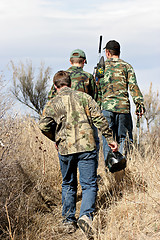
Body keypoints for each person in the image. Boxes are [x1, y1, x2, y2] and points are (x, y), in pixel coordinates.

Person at [39, 70, 118, 238]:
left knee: (68, 183)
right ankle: (85, 216)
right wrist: (110, 139)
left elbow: (43, 125)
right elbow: (99, 119)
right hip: (87, 146)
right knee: (89, 184)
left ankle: (68, 221)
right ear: (71, 83)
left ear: (55, 86)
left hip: (65, 148)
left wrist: (56, 137)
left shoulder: (53, 103)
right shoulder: (85, 98)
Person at [48, 49, 99, 160]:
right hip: (85, 123)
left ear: (70, 61)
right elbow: (95, 100)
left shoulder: (61, 77)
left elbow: (51, 99)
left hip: (64, 123)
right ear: (84, 61)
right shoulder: (88, 77)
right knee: (93, 146)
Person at [99, 40, 145, 162]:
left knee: (108, 139)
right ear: (118, 52)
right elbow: (133, 87)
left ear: (107, 52)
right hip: (123, 109)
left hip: (106, 108)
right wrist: (139, 104)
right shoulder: (127, 66)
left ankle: (110, 168)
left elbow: (97, 89)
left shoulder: (101, 67)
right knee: (124, 138)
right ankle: (125, 165)